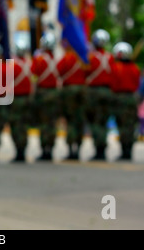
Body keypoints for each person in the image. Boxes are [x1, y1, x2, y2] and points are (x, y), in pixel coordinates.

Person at [84, 29, 114, 161]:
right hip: (107, 92)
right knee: (103, 121)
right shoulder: (110, 57)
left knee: (95, 121)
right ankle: (102, 148)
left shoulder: (89, 57)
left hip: (94, 92)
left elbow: (85, 73)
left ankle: (99, 149)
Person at [31, 32, 61, 161]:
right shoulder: (57, 59)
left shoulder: (38, 59)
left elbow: (33, 76)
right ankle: (51, 149)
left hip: (42, 94)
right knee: (52, 123)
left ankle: (44, 149)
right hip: (54, 94)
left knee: (43, 123)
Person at [57, 40, 87, 160]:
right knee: (79, 120)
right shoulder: (84, 58)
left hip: (69, 91)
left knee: (69, 120)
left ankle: (70, 149)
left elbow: (59, 71)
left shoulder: (67, 58)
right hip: (82, 90)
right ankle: (78, 149)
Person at [111, 42, 140, 161]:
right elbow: (137, 84)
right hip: (131, 98)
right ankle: (129, 150)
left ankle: (124, 150)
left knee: (122, 125)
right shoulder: (135, 68)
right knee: (130, 125)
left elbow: (113, 83)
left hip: (120, 98)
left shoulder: (116, 67)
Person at [7, 39, 34, 162]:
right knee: (24, 125)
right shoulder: (30, 64)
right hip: (28, 99)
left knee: (16, 126)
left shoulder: (12, 66)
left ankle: (19, 151)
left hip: (16, 100)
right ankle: (23, 150)